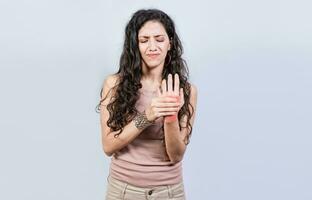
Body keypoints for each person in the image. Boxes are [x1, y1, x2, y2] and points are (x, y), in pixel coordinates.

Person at [96, 8, 197, 200]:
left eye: (159, 39)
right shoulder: (114, 84)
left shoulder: (188, 91)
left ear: (170, 44)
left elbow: (176, 156)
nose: (152, 46)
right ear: (135, 45)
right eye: (144, 40)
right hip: (123, 191)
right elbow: (108, 146)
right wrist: (147, 115)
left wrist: (170, 117)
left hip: (169, 192)